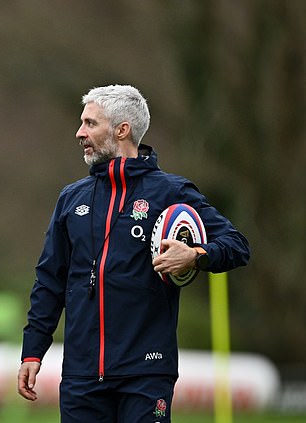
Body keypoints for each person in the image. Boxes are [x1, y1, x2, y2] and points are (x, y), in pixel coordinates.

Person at [17, 84, 249, 422]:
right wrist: (32, 352)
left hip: (146, 373)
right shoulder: (71, 199)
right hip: (82, 376)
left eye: (90, 123)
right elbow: (51, 280)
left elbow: (236, 244)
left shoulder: (171, 192)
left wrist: (196, 255)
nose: (80, 132)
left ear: (122, 129)